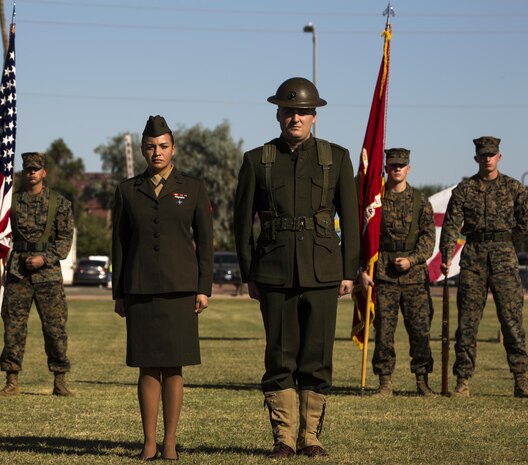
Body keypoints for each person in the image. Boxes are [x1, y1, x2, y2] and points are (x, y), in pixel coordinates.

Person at [233, 77, 359, 458]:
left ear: (314, 116)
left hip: (322, 271)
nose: (296, 118)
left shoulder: (336, 157)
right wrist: (248, 273)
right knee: (280, 355)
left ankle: (311, 437)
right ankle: (285, 438)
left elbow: (351, 220)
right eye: (289, 111)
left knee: (317, 356)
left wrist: (348, 270)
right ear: (278, 114)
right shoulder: (257, 159)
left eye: (303, 112)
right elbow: (241, 222)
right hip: (274, 272)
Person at [112, 115, 213, 460]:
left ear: (173, 149)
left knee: (174, 366)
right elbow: (120, 244)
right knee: (146, 365)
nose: (157, 152)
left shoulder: (194, 188)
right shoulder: (127, 190)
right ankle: (149, 441)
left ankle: (169, 441)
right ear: (142, 149)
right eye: (151, 146)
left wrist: (204, 287)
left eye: (163, 146)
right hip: (139, 289)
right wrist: (119, 293)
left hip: (180, 289)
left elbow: (206, 242)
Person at [440, 136, 528, 398]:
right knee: (468, 322)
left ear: (499, 157)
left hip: (504, 257)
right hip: (473, 258)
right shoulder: (465, 190)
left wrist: (505, 238)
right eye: (483, 155)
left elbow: (527, 223)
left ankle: (520, 380)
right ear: (476, 158)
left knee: (512, 320)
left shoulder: (514, 188)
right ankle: (463, 381)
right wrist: (447, 255)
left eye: (491, 154)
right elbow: (451, 225)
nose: (487, 159)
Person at [0, 152, 75, 397]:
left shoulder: (59, 203)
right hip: (18, 273)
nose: (32, 173)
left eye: (36, 169)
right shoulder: (10, 203)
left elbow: (64, 241)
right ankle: (11, 381)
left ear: (44, 172)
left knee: (55, 329)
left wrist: (44, 258)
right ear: (23, 172)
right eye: (28, 169)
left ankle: (60, 380)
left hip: (48, 276)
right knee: (14, 329)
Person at [359, 148, 436, 397]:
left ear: (409, 168)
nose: (397, 169)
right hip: (384, 275)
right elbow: (366, 237)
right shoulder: (376, 200)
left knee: (420, 331)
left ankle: (422, 382)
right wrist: (362, 268)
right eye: (393, 165)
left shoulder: (420, 201)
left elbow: (428, 238)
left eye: (401, 165)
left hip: (414, 277)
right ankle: (385, 383)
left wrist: (412, 260)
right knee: (384, 331)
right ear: (386, 168)